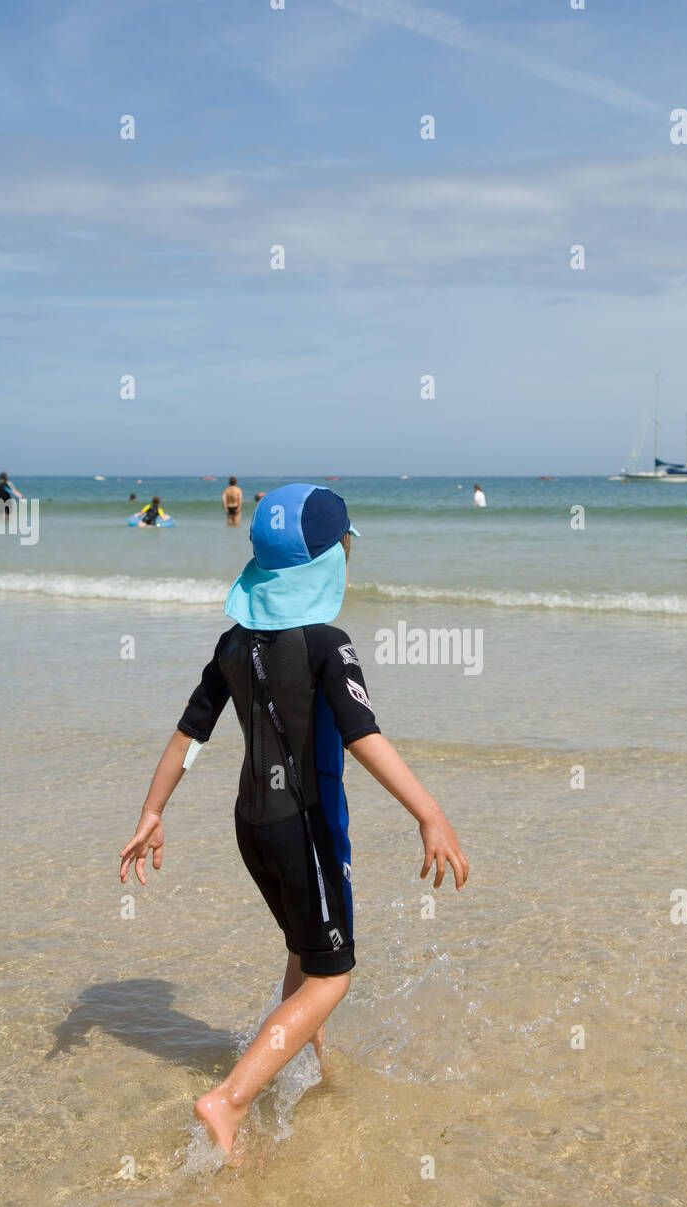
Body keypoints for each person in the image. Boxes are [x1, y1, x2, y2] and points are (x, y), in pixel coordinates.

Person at [119, 483, 468, 1156]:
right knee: (332, 973)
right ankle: (229, 1100)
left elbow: (189, 733)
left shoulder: (233, 642)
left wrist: (152, 812)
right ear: (329, 562)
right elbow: (363, 734)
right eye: (342, 546)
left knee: (304, 951)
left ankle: (305, 1063)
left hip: (252, 825)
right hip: (304, 824)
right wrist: (430, 813)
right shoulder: (326, 643)